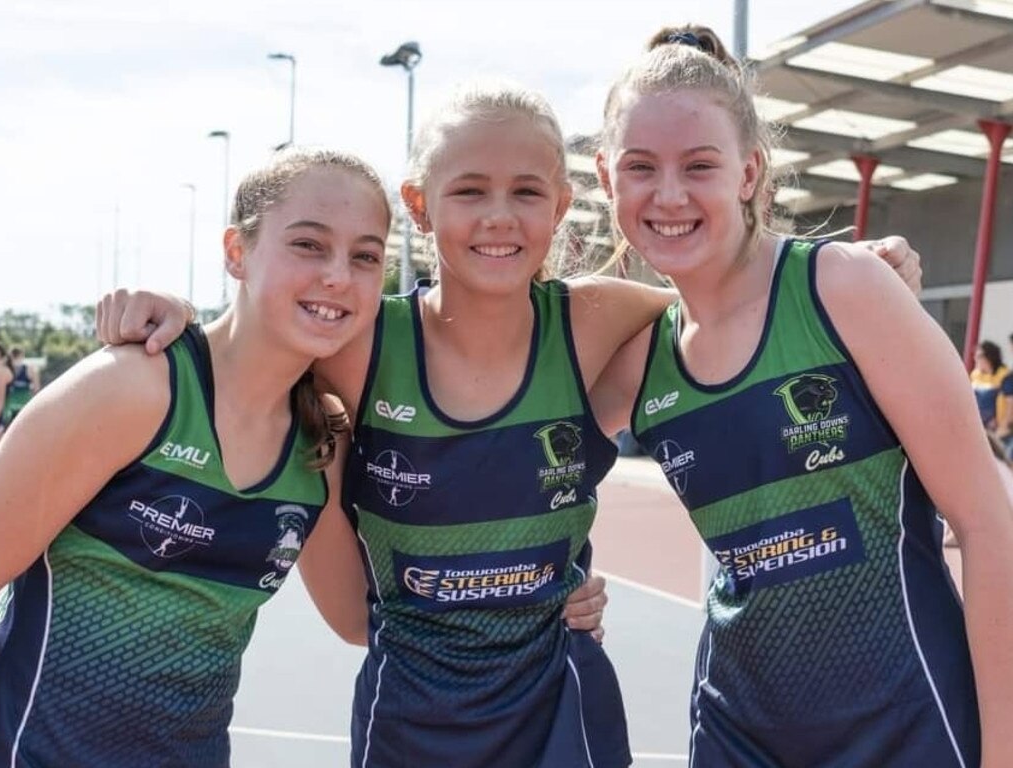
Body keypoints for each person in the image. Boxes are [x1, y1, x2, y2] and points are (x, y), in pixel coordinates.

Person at [96, 89, 921, 768]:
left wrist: (855, 271)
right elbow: (258, 340)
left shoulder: (600, 322)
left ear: (562, 204)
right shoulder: (358, 346)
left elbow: (741, 295)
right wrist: (173, 316)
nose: (500, 216)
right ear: (419, 203)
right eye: (469, 190)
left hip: (563, 716)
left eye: (527, 191)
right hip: (409, 724)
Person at [589, 25, 1013, 767]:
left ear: (749, 172)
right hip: (736, 733)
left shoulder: (842, 289)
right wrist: (549, 582)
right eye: (641, 167)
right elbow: (516, 472)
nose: (669, 195)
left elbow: (986, 526)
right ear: (605, 179)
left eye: (700, 165)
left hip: (905, 725)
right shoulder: (639, 361)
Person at [0, 147, 392, 766]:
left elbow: (359, 618)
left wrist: (545, 586)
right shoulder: (134, 387)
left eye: (365, 255)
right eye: (309, 244)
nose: (338, 274)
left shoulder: (320, 440)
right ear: (237, 252)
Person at [970, 339, 1009, 432]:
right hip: (976, 425)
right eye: (975, 355)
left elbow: (1010, 404)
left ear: (990, 357)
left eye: (979, 356)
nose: (975, 358)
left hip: (996, 428)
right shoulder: (975, 374)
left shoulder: (1005, 376)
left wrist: (1003, 426)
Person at [1, 346, 40, 427]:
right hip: (11, 408)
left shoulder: (29, 369)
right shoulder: (6, 370)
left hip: (23, 407)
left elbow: (36, 389)